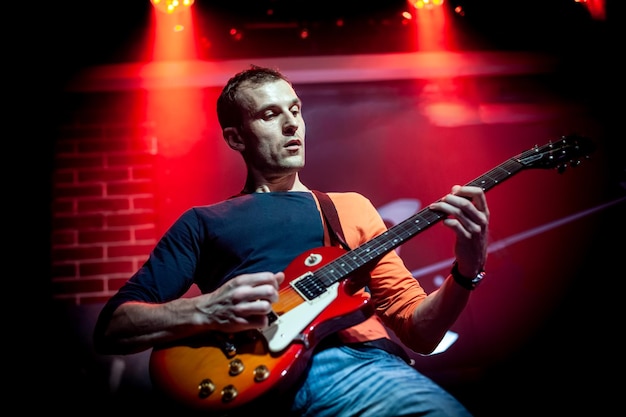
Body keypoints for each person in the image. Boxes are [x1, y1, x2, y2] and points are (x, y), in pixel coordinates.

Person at [93, 65, 490, 417]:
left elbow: (420, 332)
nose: (291, 124)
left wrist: (466, 271)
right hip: (246, 383)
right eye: (270, 114)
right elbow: (114, 327)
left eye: (295, 111)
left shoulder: (349, 208)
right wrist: (205, 309)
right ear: (235, 138)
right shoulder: (202, 222)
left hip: (349, 366)